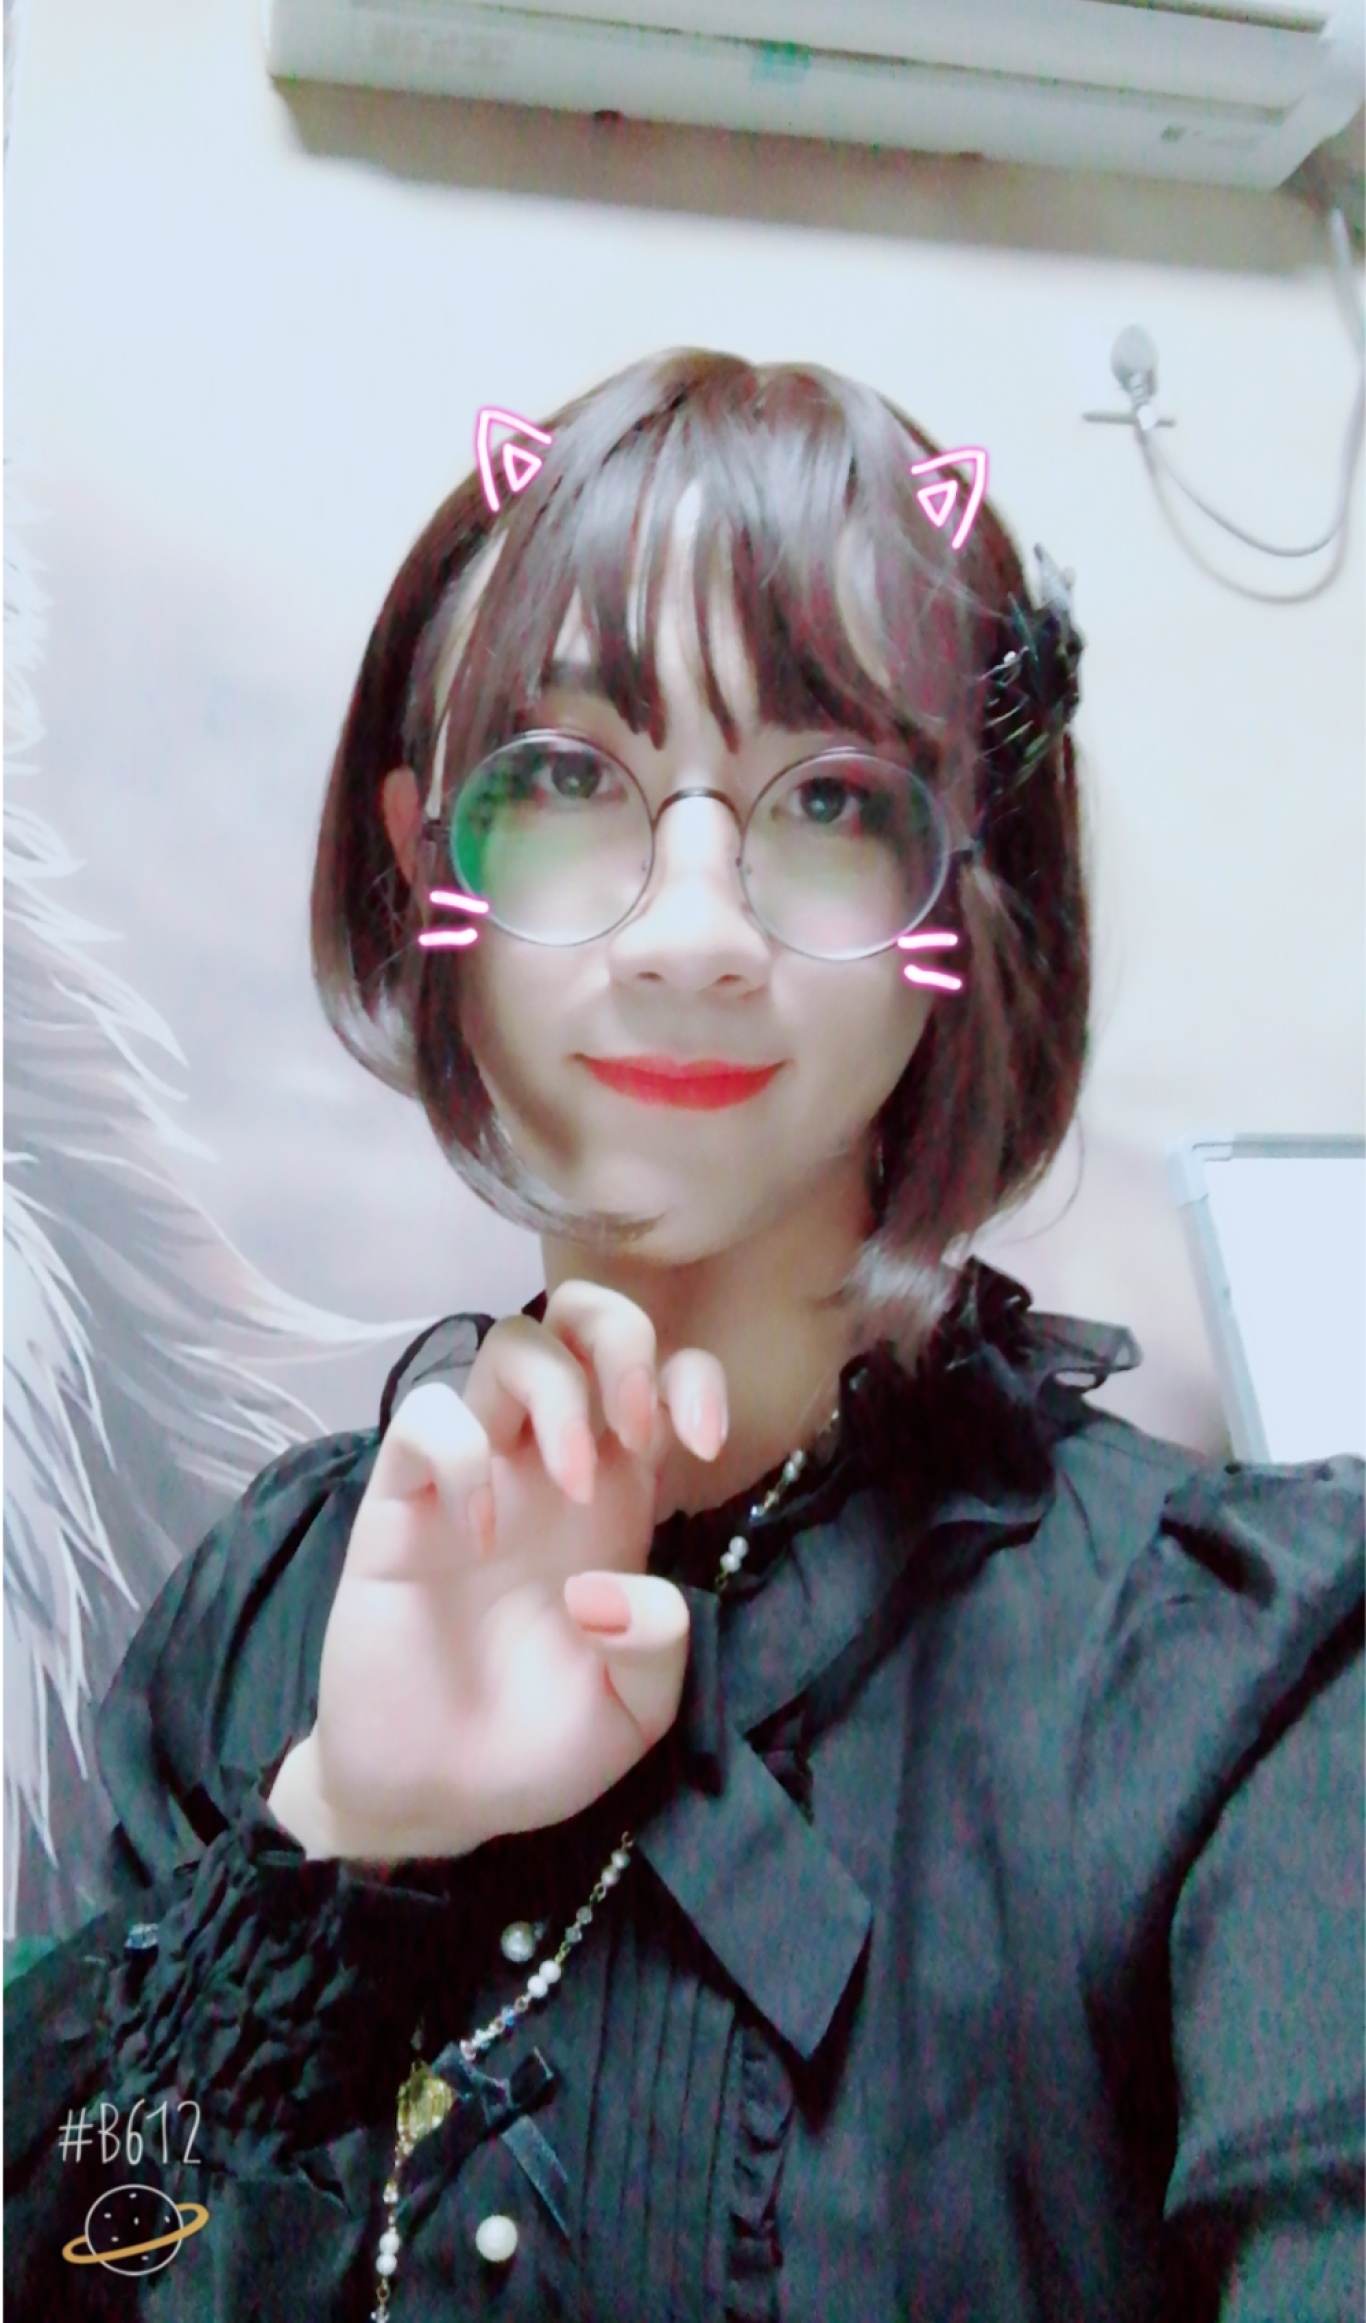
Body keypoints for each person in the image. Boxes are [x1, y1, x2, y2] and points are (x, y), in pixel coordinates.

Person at [5, 348, 1362, 2323]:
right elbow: (71, 2249)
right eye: (567, 779)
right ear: (423, 855)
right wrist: (336, 1835)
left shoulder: (1223, 1683)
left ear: (966, 899)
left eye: (833, 801)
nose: (693, 933)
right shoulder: (268, 1611)